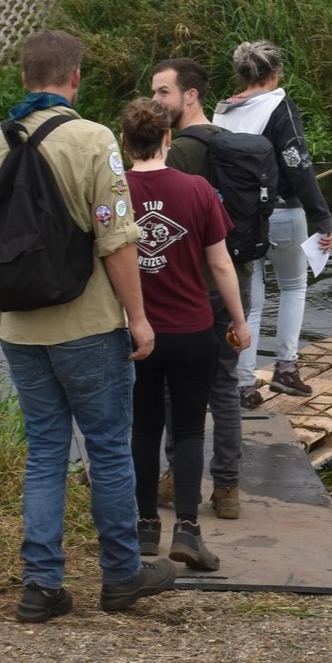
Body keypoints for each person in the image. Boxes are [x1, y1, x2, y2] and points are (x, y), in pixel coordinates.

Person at [0, 30, 177, 623]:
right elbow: (116, 239)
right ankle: (121, 575)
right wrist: (139, 318)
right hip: (87, 324)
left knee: (44, 452)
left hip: (17, 325)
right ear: (75, 78)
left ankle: (41, 586)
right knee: (107, 449)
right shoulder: (93, 139)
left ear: (24, 76)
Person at [119, 98, 252, 571]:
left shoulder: (114, 191)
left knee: (143, 427)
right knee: (191, 429)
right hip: (193, 329)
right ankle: (189, 531)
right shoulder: (197, 189)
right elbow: (221, 263)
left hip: (136, 333)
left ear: (124, 142)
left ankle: (144, 526)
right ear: (168, 138)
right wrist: (239, 320)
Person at [152, 57, 251, 520]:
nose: (156, 100)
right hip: (236, 280)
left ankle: (177, 479)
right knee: (225, 386)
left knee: (176, 388)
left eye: (164, 92)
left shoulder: (181, 154)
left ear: (190, 95)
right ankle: (228, 489)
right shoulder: (230, 143)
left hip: (193, 288)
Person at [213, 41, 332, 407]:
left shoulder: (222, 112)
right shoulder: (279, 106)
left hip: (238, 220)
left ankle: (244, 385)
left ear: (242, 74)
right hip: (282, 213)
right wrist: (323, 218)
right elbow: (298, 165)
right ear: (276, 73)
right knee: (294, 287)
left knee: (249, 303)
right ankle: (286, 369)